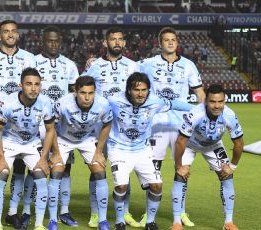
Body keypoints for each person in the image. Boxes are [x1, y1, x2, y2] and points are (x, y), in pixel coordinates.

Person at [107, 72, 193, 230]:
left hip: (142, 149)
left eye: (144, 90)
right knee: (121, 186)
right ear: (128, 91)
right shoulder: (114, 100)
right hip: (118, 148)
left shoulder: (155, 101)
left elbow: (176, 104)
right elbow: (96, 104)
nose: (140, 94)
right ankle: (119, 221)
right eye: (136, 90)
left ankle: (150, 222)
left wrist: (199, 108)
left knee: (156, 186)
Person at [139, 27, 205, 227]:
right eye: (166, 40)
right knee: (153, 170)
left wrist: (203, 117)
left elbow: (200, 93)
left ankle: (181, 212)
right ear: (159, 43)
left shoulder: (188, 65)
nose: (170, 43)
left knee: (182, 168)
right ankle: (148, 214)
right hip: (156, 124)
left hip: (181, 126)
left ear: (177, 43)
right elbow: (129, 76)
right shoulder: (148, 64)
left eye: (173, 40)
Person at [0, 19, 36, 230]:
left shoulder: (30, 59)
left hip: (25, 123)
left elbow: (36, 88)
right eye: (5, 32)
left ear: (17, 35)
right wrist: (2, 104)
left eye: (13, 31)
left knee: (19, 166)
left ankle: (12, 212)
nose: (10, 34)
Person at [21, 25, 79, 229]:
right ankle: (27, 211)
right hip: (36, 123)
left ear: (60, 41)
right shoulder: (32, 62)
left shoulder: (70, 65)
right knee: (34, 167)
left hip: (62, 127)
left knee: (64, 168)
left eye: (56, 41)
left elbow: (75, 93)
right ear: (42, 41)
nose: (53, 44)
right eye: (49, 40)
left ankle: (63, 210)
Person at [83, 27, 141, 228]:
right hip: (99, 124)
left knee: (125, 169)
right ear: (105, 43)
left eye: (120, 39)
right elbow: (82, 89)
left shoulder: (134, 66)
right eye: (112, 39)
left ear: (124, 43)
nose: (116, 42)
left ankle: (124, 212)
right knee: (97, 167)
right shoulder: (95, 66)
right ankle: (95, 213)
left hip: (124, 125)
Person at [171, 84, 243, 230]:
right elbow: (180, 141)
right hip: (190, 145)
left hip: (213, 145)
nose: (217, 106)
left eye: (220, 101)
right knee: (180, 176)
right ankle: (177, 222)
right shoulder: (195, 113)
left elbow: (239, 143)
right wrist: (179, 166)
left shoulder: (229, 115)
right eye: (212, 102)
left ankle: (228, 223)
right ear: (206, 102)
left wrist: (232, 166)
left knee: (226, 176)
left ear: (224, 101)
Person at [0, 67, 54, 230]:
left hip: (31, 143)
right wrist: (1, 158)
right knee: (1, 176)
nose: (33, 88)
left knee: (41, 178)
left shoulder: (46, 103)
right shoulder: (8, 103)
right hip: (9, 142)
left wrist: (43, 158)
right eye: (29, 84)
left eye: (37, 84)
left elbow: (50, 130)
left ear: (41, 86)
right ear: (21, 85)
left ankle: (39, 224)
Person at [48, 76, 112, 230]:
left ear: (95, 92)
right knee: (56, 172)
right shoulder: (62, 104)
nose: (87, 97)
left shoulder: (103, 104)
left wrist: (98, 152)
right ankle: (52, 220)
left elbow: (107, 124)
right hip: (62, 138)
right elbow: (51, 127)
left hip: (87, 139)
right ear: (75, 92)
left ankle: (102, 221)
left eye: (91, 93)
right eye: (83, 93)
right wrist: (56, 152)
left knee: (100, 171)